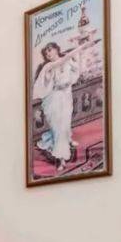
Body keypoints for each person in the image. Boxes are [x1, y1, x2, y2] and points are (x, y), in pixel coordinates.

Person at [32, 41, 81, 173]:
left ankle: (67, 139)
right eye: (46, 52)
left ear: (56, 49)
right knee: (58, 128)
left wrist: (69, 82)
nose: (47, 53)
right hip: (53, 99)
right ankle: (61, 159)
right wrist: (79, 48)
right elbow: (59, 64)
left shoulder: (68, 61)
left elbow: (76, 71)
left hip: (66, 96)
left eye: (50, 50)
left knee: (65, 123)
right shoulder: (48, 66)